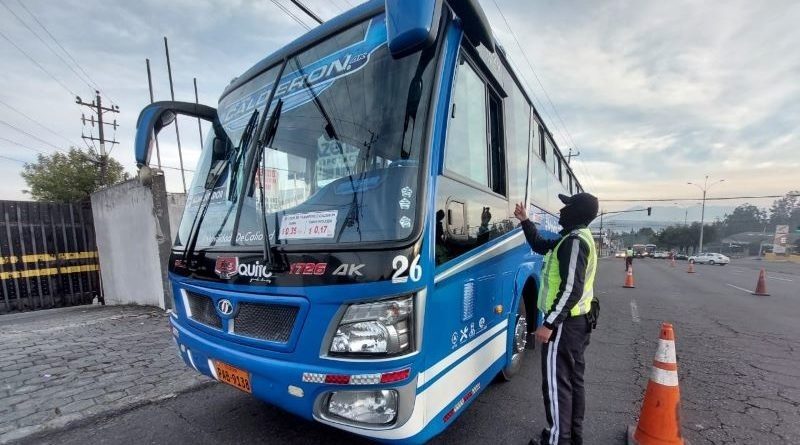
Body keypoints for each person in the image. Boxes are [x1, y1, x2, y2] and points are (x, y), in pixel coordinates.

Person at [513, 193, 599, 445]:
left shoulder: (574, 242)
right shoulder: (570, 239)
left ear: (577, 211)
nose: (561, 210)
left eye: (567, 206)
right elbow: (540, 245)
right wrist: (525, 221)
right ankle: (571, 437)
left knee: (556, 385)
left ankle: (556, 440)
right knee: (572, 382)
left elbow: (571, 289)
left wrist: (549, 323)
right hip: (576, 324)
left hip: (564, 326)